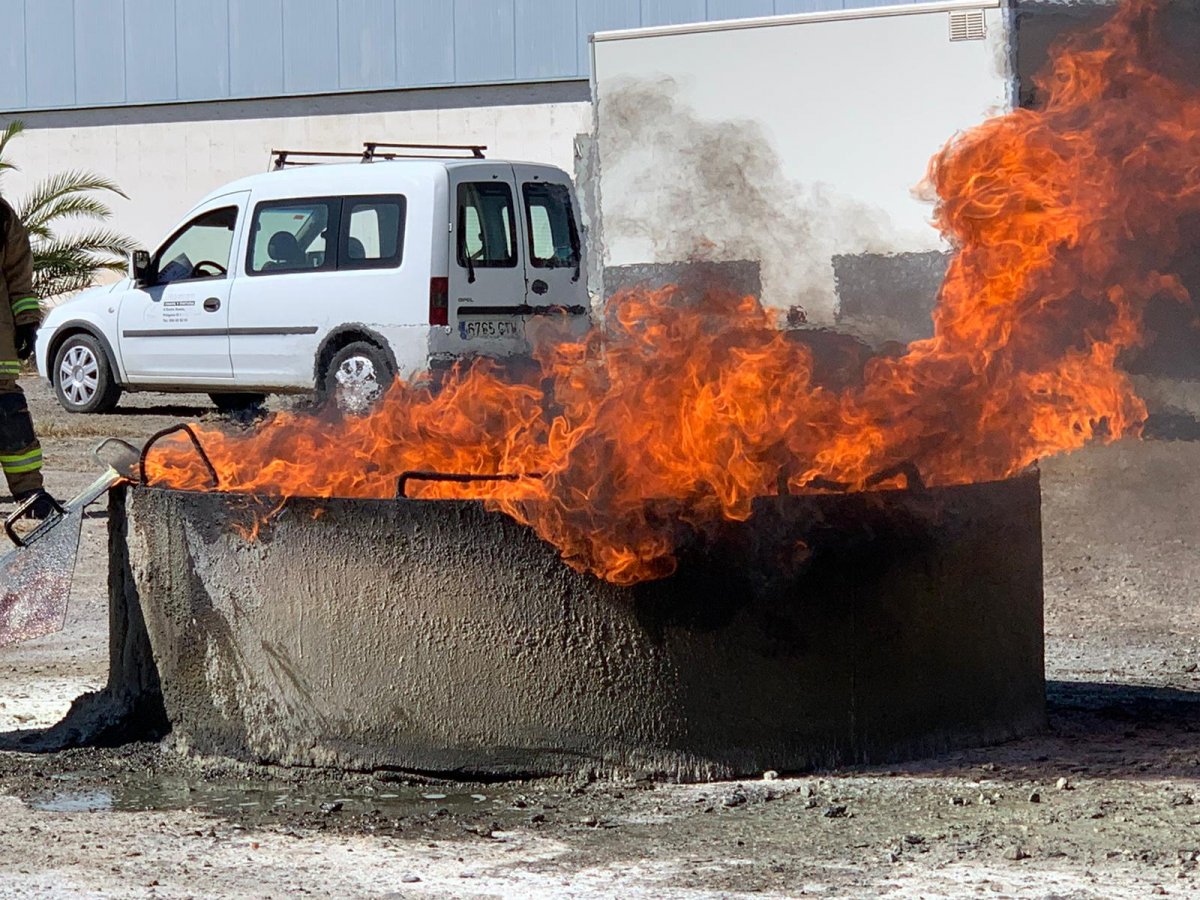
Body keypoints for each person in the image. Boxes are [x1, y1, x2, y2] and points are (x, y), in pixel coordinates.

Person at [0, 195, 53, 518]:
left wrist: (26, 321)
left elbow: (19, 272)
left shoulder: (1, 215)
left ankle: (29, 490)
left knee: (9, 415)